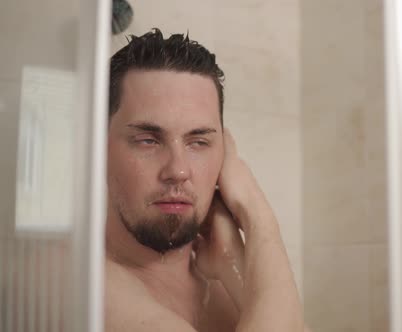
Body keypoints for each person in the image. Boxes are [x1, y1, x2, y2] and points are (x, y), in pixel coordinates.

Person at [105, 28, 307, 332]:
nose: (178, 170)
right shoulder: (83, 287)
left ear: (224, 152)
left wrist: (232, 262)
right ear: (97, 148)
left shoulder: (226, 282)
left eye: (198, 142)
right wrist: (257, 215)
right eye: (148, 140)